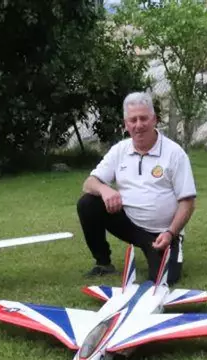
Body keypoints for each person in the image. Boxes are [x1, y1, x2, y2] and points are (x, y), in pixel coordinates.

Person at [78, 91, 196, 284]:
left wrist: (170, 232)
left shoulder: (175, 154)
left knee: (164, 281)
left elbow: (188, 202)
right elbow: (89, 183)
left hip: (163, 232)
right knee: (88, 203)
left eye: (144, 118)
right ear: (126, 124)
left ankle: (163, 248)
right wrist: (105, 189)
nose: (138, 125)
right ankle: (103, 264)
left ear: (154, 120)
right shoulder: (120, 150)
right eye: (133, 120)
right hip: (130, 225)